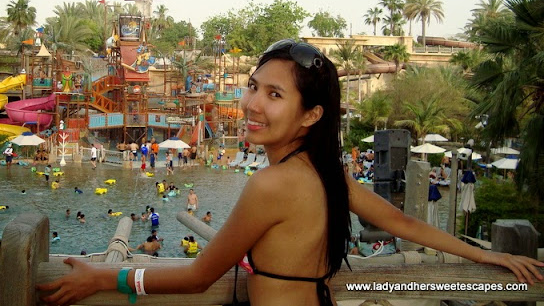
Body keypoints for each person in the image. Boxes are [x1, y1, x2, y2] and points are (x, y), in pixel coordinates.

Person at [38, 39, 544, 306]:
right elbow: (405, 225)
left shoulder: (273, 185)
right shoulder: (326, 172)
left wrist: (107, 276)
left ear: (311, 115)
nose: (252, 104)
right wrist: (487, 255)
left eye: (273, 95)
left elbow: (196, 278)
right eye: (254, 86)